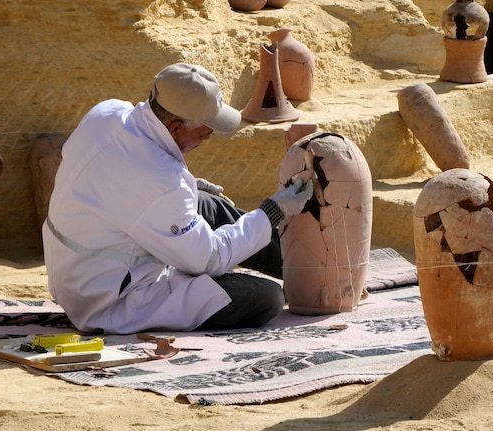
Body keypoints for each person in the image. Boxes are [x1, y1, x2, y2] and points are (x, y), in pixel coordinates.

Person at [42, 63, 313, 334]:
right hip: (109, 299)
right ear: (175, 129)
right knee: (265, 297)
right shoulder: (160, 180)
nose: (207, 138)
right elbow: (209, 259)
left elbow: (118, 181)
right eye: (204, 133)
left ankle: (312, 269)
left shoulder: (107, 112)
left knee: (207, 204)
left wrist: (189, 188)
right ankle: (310, 280)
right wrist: (272, 211)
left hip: (75, 271)